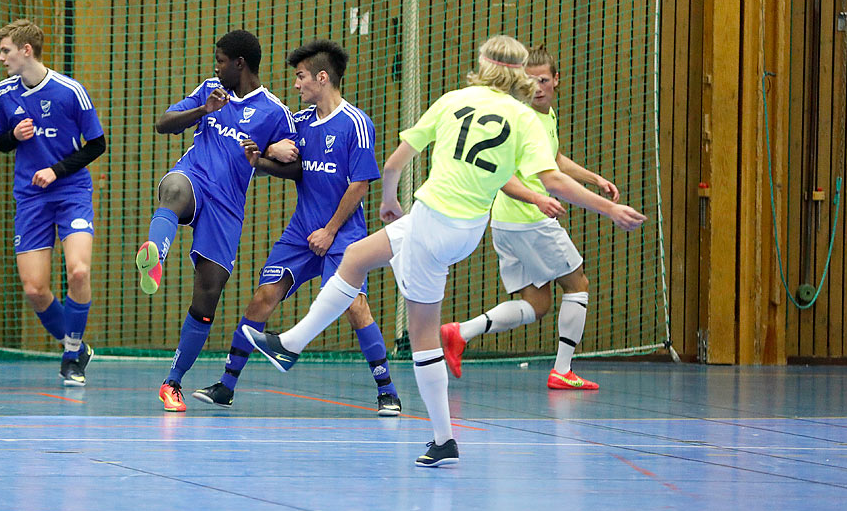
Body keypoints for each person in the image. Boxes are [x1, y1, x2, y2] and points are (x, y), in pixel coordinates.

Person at [245, 36, 646, 466]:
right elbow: (553, 180)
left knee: (410, 319)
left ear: (483, 65)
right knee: (365, 266)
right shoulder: (525, 117)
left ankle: (302, 351)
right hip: (465, 229)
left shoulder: (455, 100)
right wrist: (608, 207)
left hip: (432, 218)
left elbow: (396, 161)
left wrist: (388, 201)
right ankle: (300, 349)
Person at [193, 39, 400, 416]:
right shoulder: (301, 122)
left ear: (322, 78)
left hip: (343, 234)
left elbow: (359, 185)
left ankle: (387, 390)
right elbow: (283, 157)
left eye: (301, 77)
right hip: (300, 232)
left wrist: (331, 231)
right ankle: (227, 385)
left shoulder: (356, 123)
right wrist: (264, 155)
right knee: (263, 296)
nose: (296, 84)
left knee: (355, 306)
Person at [136, 30, 297, 411]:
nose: (216, 66)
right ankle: (154, 256)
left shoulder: (275, 111)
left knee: (207, 297)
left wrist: (264, 158)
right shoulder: (211, 89)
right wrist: (202, 110)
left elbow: (296, 169)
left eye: (222, 60)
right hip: (195, 176)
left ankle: (172, 383)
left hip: (227, 206)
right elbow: (164, 123)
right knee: (173, 190)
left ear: (240, 64)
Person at [443, 46, 621, 389]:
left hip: (505, 223)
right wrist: (603, 207)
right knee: (577, 283)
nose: (537, 87)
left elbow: (554, 159)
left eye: (543, 80)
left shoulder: (545, 116)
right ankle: (562, 371)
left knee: (537, 304)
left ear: (557, 80)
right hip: (528, 218)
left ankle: (461, 332)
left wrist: (594, 179)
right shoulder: (525, 120)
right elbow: (546, 177)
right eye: (530, 80)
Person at [0, 19, 106, 386]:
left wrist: (56, 170)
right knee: (35, 290)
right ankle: (76, 344)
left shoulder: (70, 91)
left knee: (79, 271)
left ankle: (72, 353)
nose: (1, 57)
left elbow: (97, 144)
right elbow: (0, 142)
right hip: (30, 198)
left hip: (70, 193)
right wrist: (13, 134)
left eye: (6, 50)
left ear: (26, 51)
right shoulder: (4, 93)